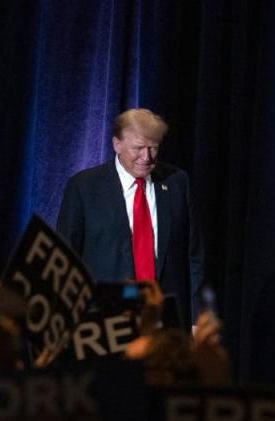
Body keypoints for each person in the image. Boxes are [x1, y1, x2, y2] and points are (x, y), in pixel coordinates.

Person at [56, 108, 205, 329]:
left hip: (165, 321)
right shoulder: (84, 187)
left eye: (153, 148)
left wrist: (196, 318)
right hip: (105, 322)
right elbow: (65, 259)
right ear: (117, 144)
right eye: (138, 148)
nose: (146, 157)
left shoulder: (177, 183)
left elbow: (193, 256)